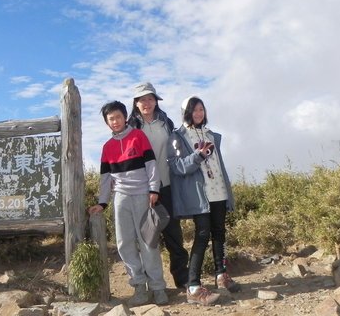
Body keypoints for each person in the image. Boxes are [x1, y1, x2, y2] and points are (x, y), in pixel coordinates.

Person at [89, 100, 168, 306]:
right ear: (107, 123)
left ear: (125, 117)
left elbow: (151, 165)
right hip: (121, 197)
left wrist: (154, 189)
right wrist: (103, 203)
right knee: (124, 243)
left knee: (148, 242)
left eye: (117, 117)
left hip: (143, 194)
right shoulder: (107, 147)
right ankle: (139, 287)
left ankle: (158, 287)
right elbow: (105, 179)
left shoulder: (138, 136)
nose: (115, 121)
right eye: (110, 119)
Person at [167, 96, 240, 306]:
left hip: (218, 191)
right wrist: (197, 156)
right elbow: (177, 166)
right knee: (201, 235)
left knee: (219, 233)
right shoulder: (178, 137)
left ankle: (221, 275)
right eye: (194, 110)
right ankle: (193, 286)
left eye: (201, 109)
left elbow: (219, 165)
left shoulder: (212, 135)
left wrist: (228, 191)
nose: (198, 113)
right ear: (185, 113)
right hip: (200, 195)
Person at [127, 82, 189, 289]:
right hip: (141, 188)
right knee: (146, 237)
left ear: (156, 101)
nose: (147, 103)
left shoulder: (166, 122)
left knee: (174, 234)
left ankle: (183, 280)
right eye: (142, 99)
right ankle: (150, 284)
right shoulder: (130, 127)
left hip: (167, 185)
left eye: (150, 98)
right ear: (136, 103)